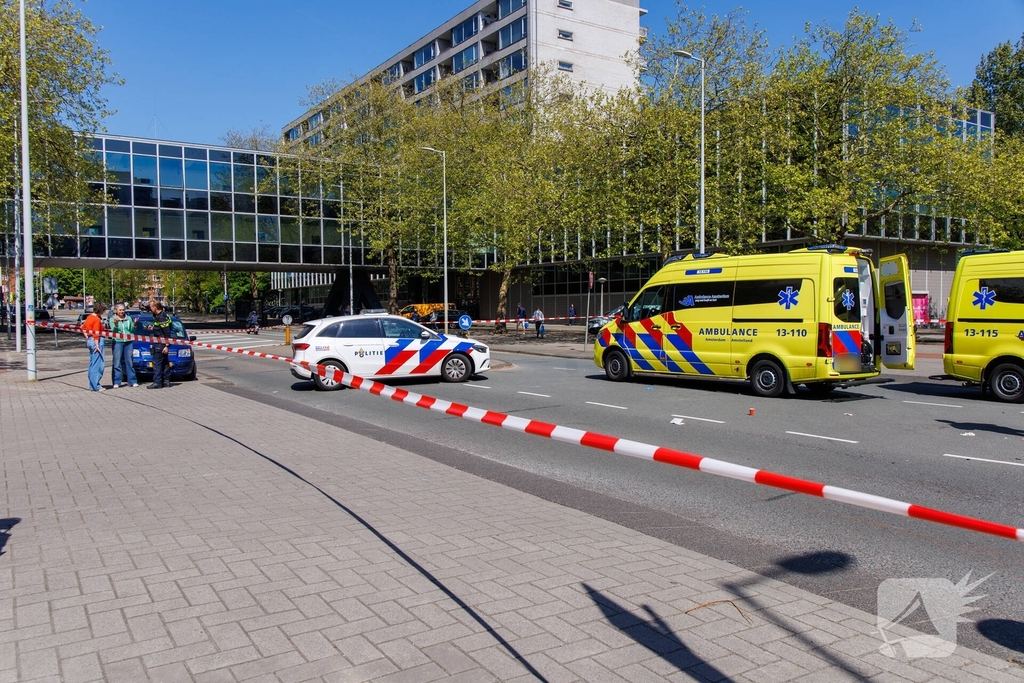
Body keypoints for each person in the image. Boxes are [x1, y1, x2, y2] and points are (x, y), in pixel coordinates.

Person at [109, 305, 138, 388]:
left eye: (123, 310)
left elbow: (131, 330)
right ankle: (117, 381)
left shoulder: (128, 318)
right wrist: (116, 324)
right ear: (116, 311)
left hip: (128, 342)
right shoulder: (112, 319)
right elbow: (114, 331)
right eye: (120, 310)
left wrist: (134, 324)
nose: (122, 311)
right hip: (118, 342)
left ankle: (132, 381)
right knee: (117, 362)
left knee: (129, 361)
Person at [147, 300, 173, 389]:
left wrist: (167, 346)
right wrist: (153, 328)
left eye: (151, 306)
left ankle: (157, 382)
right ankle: (166, 381)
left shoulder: (162, 317)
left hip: (161, 343)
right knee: (165, 363)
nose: (150, 308)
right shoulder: (157, 316)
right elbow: (159, 328)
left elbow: (167, 333)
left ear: (155, 307)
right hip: (160, 341)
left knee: (156, 363)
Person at [81, 302, 108, 391]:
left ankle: (92, 385)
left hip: (90, 340)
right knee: (98, 364)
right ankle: (96, 385)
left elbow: (82, 327)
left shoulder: (89, 317)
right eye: (103, 311)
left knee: (92, 363)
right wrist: (97, 346)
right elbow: (96, 333)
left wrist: (87, 336)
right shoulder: (96, 319)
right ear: (100, 310)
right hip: (97, 341)